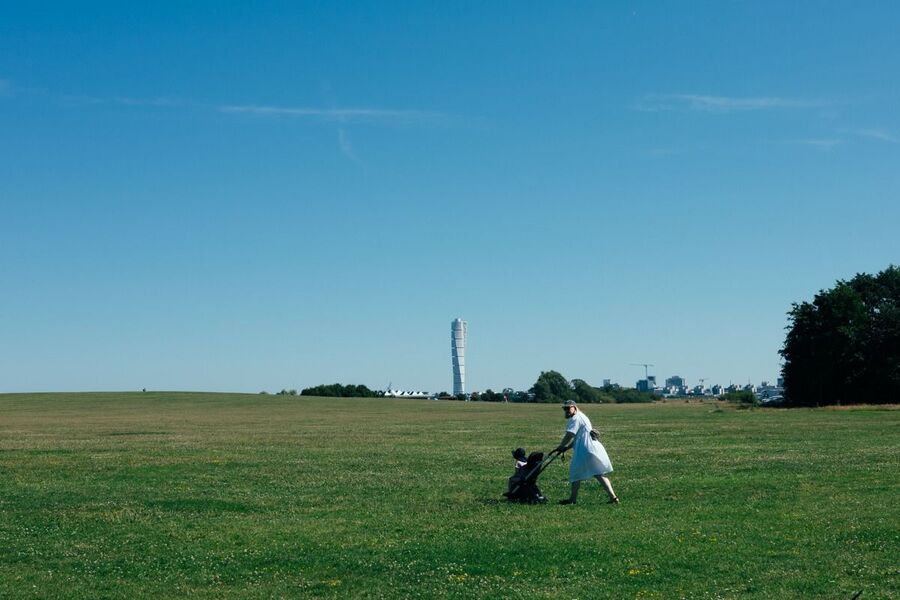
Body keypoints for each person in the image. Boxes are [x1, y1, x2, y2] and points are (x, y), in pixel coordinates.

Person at [554, 400, 619, 505]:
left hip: (585, 450)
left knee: (575, 473)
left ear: (574, 407)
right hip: (591, 448)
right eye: (565, 409)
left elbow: (570, 434)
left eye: (568, 408)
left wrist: (561, 446)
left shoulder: (575, 418)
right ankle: (613, 498)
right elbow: (579, 438)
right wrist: (566, 448)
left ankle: (572, 499)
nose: (566, 410)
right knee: (598, 473)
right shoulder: (581, 416)